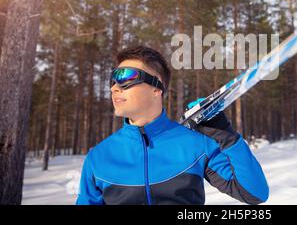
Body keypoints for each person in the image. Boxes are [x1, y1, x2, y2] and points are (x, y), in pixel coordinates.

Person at [76, 45, 269, 205]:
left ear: (156, 87)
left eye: (125, 77)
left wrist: (224, 133)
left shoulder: (196, 145)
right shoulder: (98, 157)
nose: (114, 87)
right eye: (113, 79)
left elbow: (254, 193)